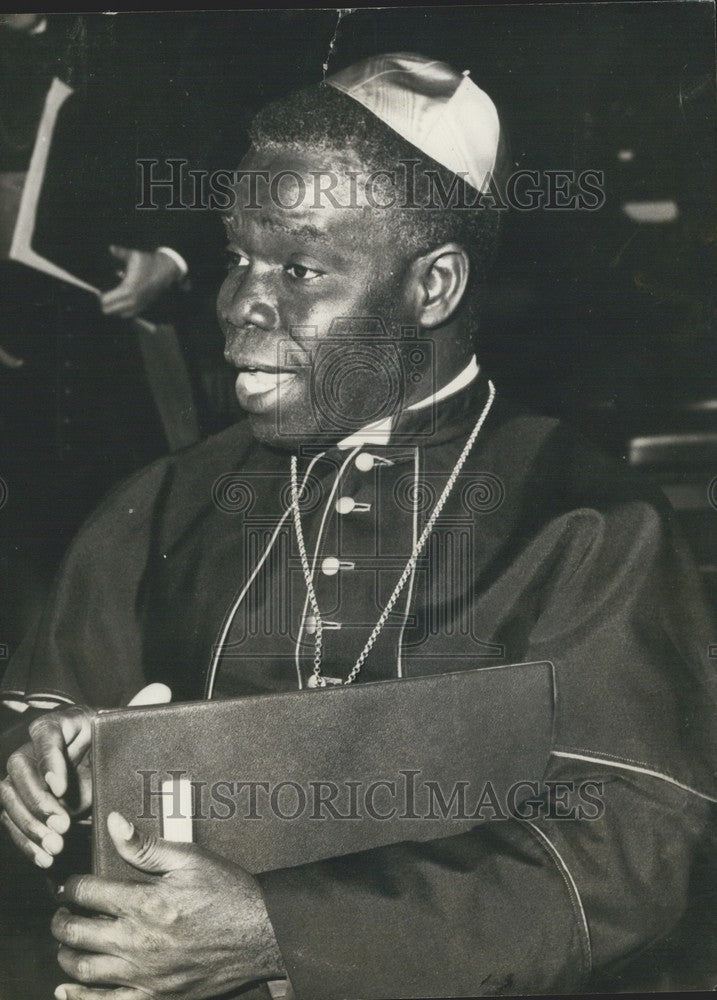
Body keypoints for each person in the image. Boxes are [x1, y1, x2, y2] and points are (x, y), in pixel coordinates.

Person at [0, 53, 715, 1000]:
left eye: (299, 267)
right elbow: (44, 706)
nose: (240, 303)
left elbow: (631, 849)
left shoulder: (588, 525)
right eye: (237, 259)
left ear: (433, 287)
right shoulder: (162, 497)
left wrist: (282, 935)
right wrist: (43, 766)